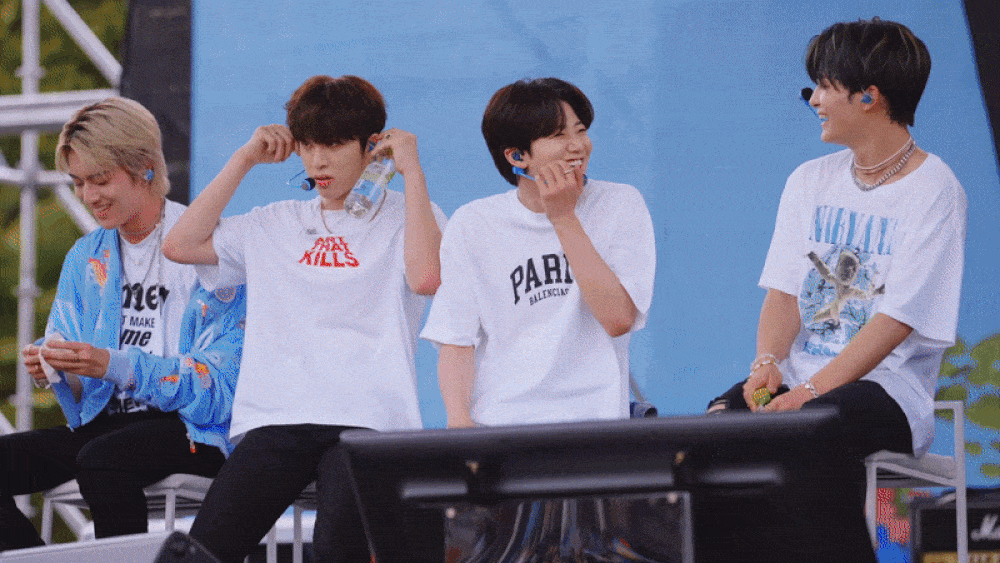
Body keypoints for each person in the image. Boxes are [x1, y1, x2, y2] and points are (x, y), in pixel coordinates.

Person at [700, 18, 966, 563]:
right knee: (715, 433)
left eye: (823, 86)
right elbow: (784, 294)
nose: (815, 100)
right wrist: (766, 363)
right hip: (799, 385)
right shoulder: (809, 180)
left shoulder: (935, 189)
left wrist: (811, 392)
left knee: (811, 434)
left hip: (887, 392)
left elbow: (895, 322)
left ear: (870, 95)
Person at [162, 75, 445, 563]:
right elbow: (179, 245)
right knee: (201, 550)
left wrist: (412, 171)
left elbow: (426, 277)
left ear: (371, 145)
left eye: (333, 145)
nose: (318, 161)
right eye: (308, 145)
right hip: (279, 418)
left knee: (335, 549)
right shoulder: (275, 221)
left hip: (366, 421)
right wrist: (244, 159)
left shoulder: (410, 214)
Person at [1, 97, 245, 550]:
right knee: (89, 454)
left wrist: (114, 364)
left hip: (195, 429)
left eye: (100, 180)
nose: (88, 196)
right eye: (78, 183)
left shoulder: (209, 247)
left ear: (145, 167)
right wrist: (57, 366)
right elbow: (82, 388)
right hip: (111, 428)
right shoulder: (86, 255)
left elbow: (218, 388)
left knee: (102, 460)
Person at [421, 77, 655, 428]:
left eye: (581, 131)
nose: (578, 146)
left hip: (595, 423)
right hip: (501, 425)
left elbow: (618, 319)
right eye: (559, 136)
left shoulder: (619, 204)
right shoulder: (474, 223)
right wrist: (458, 421)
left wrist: (563, 216)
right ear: (517, 156)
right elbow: (456, 339)